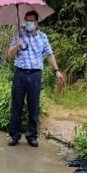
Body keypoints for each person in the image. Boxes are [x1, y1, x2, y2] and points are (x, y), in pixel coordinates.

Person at [6, 10, 63, 147]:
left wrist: (57, 71)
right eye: (26, 20)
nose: (28, 23)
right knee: (16, 105)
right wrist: (17, 45)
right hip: (20, 73)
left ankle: (32, 136)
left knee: (33, 106)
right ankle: (14, 135)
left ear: (37, 22)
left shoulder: (42, 37)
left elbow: (49, 54)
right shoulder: (18, 35)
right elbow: (9, 54)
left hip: (35, 74)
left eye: (31, 21)